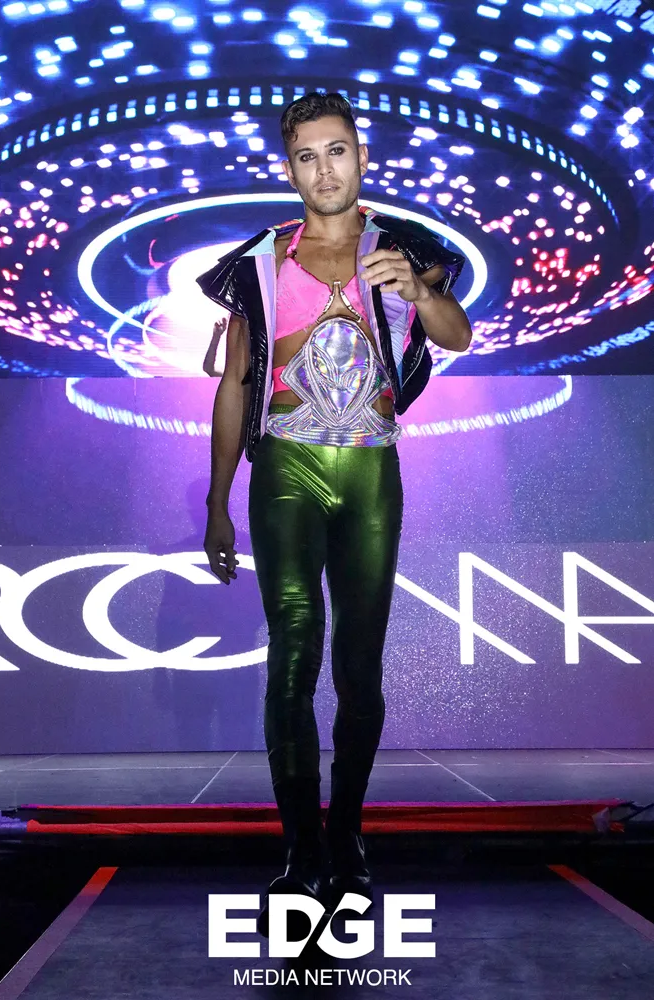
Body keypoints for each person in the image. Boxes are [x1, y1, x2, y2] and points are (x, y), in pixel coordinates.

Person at [197, 91, 472, 936]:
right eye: (307, 156)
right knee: (293, 650)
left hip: (370, 468)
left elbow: (455, 335)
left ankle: (346, 835)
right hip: (284, 466)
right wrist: (216, 503)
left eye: (337, 150)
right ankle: (300, 848)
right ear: (290, 169)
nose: (324, 169)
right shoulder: (260, 262)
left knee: (359, 664)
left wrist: (418, 291)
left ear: (360, 156)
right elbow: (233, 384)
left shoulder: (403, 249)